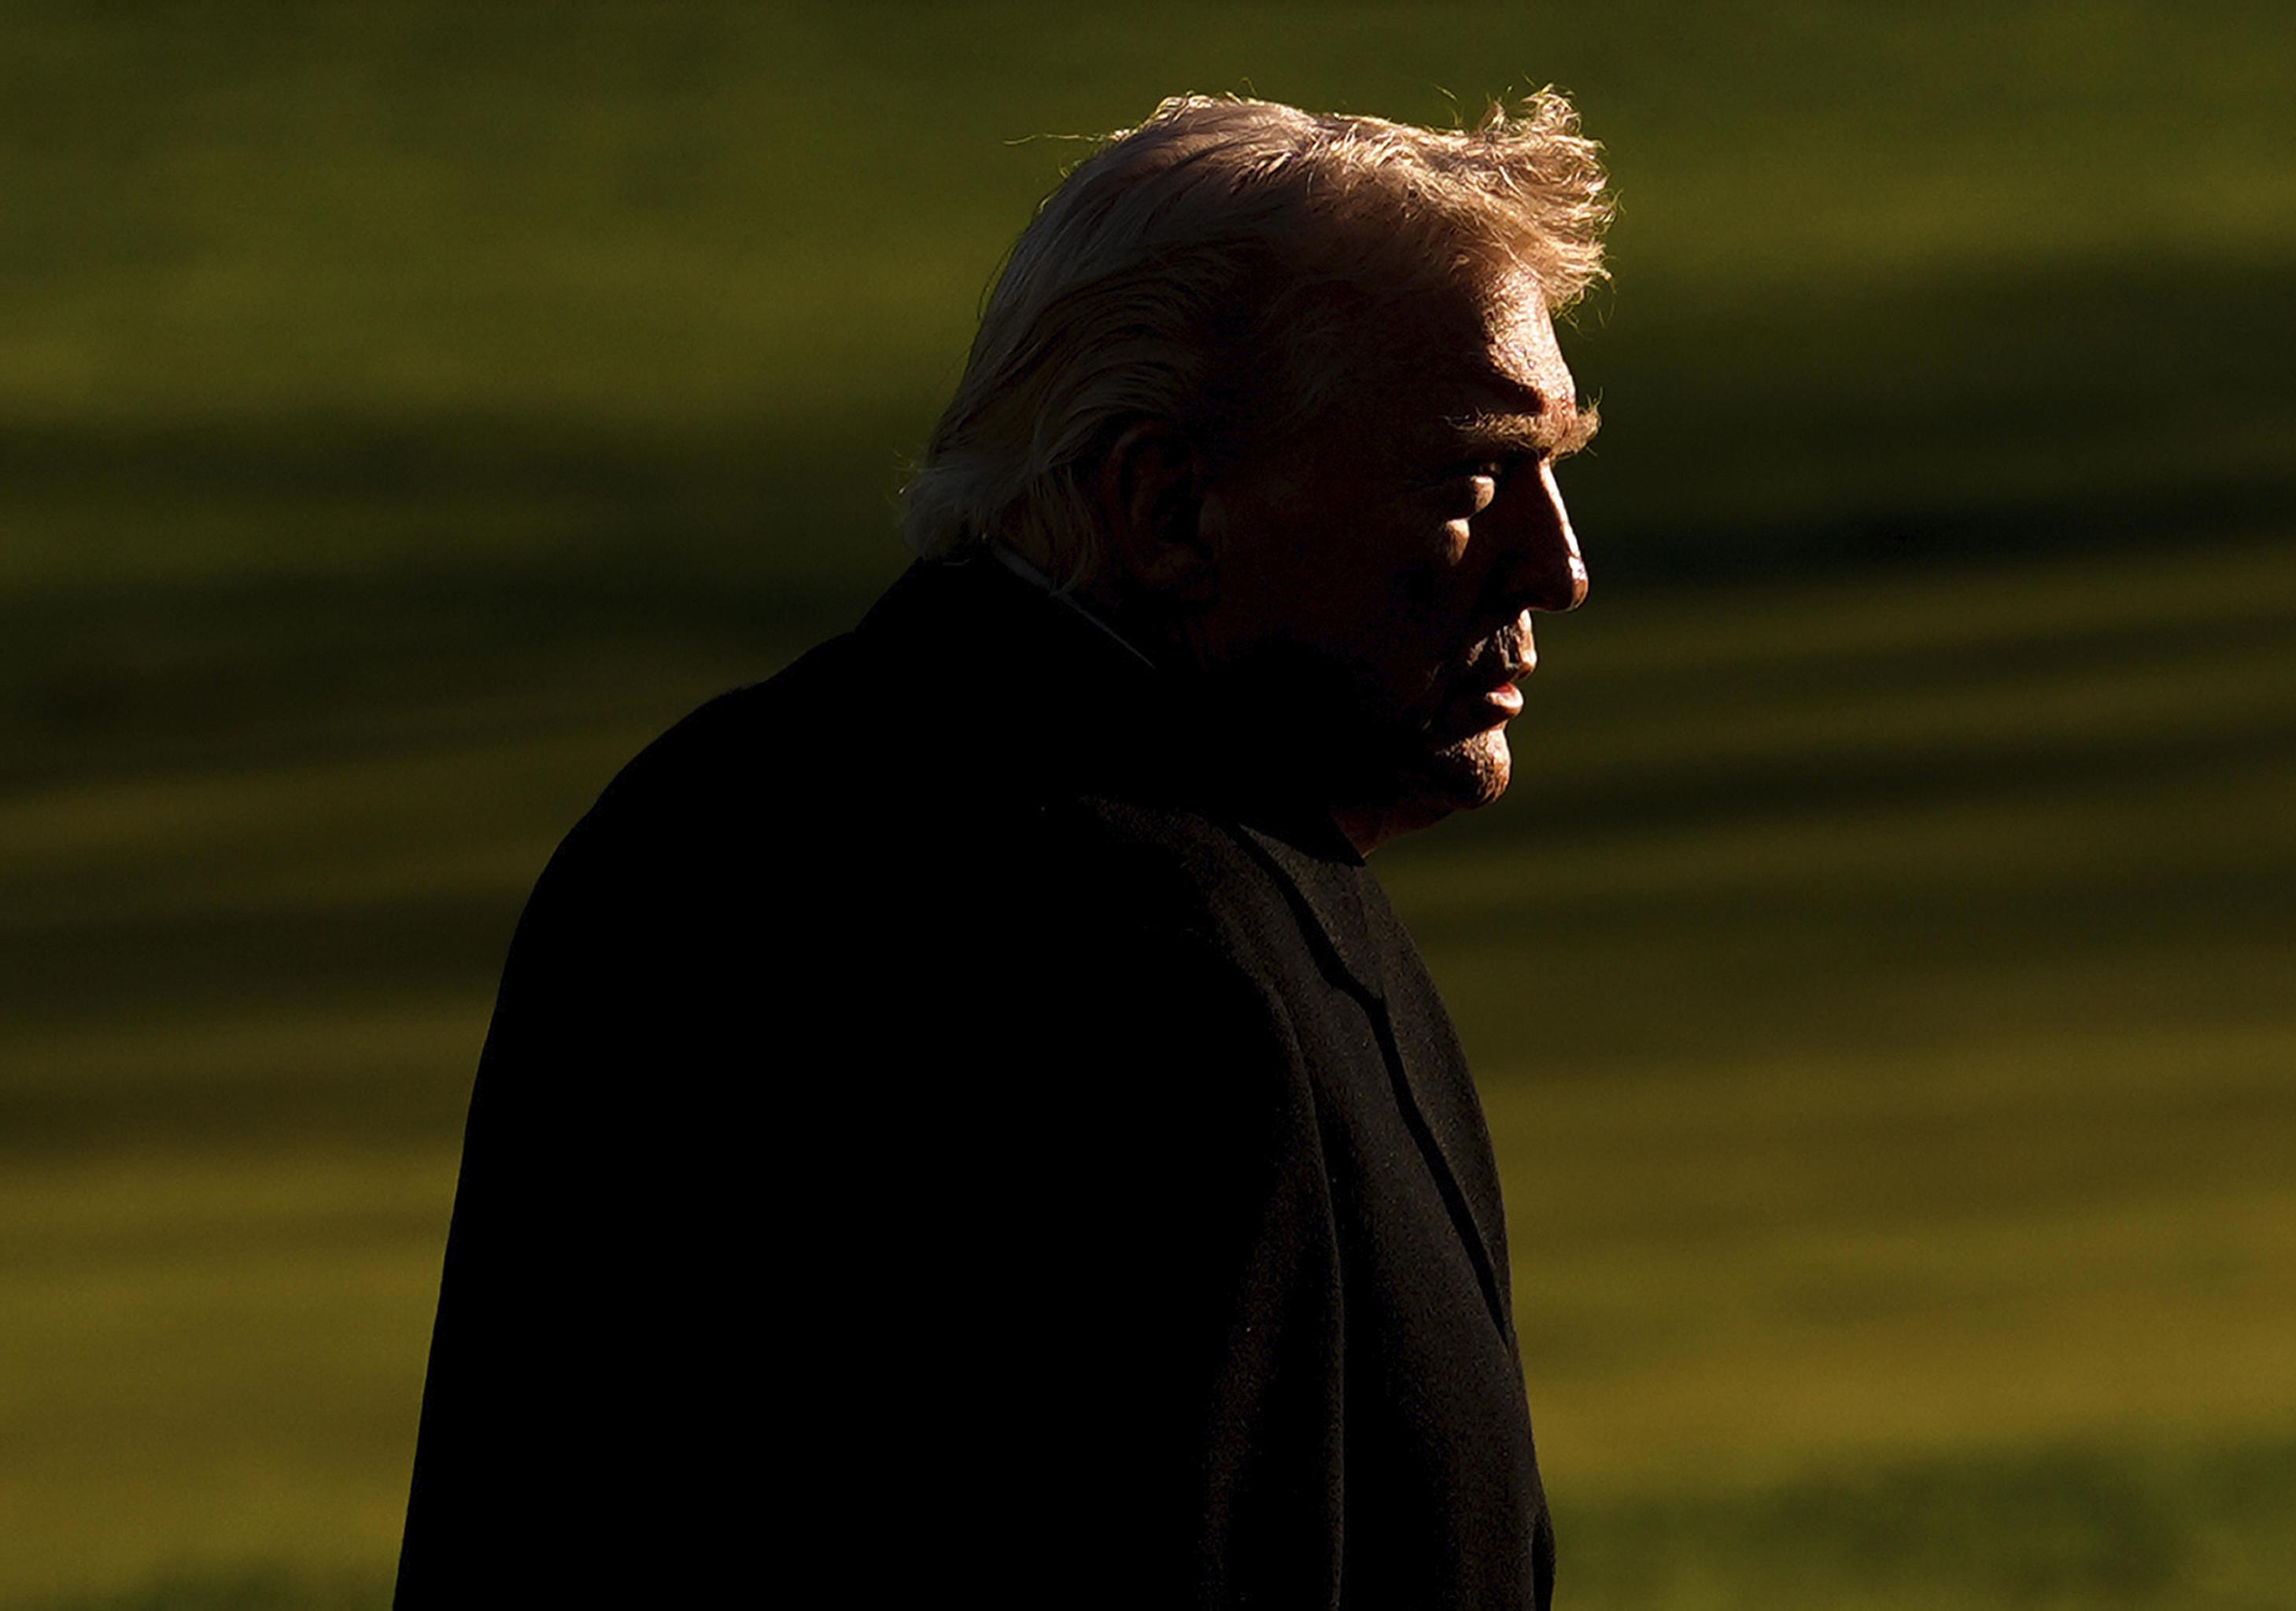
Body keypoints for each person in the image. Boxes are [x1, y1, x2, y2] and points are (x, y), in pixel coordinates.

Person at [397, 89, 1609, 1608]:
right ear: (1164, 507)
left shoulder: (716, 808)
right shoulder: (1137, 944)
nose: (1557, 568)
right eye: (1468, 481)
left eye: (1559, 468)